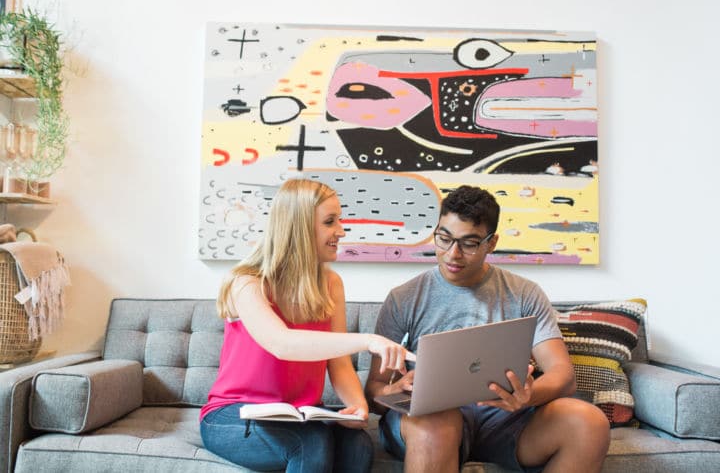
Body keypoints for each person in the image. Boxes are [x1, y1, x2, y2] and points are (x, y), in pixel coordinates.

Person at [365, 185, 610, 472]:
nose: (452, 254)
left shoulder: (524, 293)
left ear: (491, 244)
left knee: (588, 422)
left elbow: (563, 376)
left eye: (469, 243)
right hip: (429, 422)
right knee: (436, 422)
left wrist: (527, 396)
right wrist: (394, 388)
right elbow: (374, 392)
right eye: (444, 238)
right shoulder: (404, 297)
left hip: (504, 419)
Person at [200, 178, 411, 473]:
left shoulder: (331, 284)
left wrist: (357, 406)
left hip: (297, 415)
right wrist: (368, 340)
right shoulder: (247, 283)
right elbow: (282, 343)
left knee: (357, 443)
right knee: (308, 443)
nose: (341, 230)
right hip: (232, 415)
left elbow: (338, 364)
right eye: (330, 221)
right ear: (298, 227)